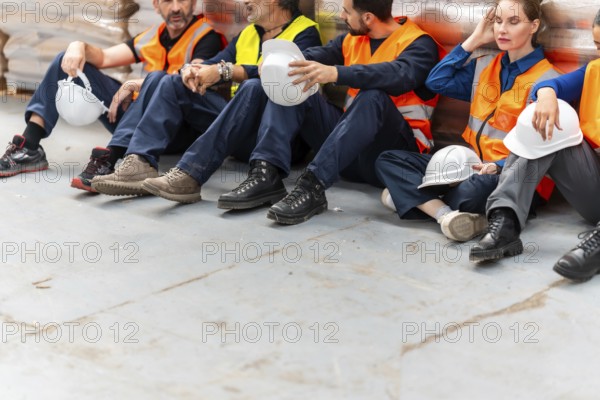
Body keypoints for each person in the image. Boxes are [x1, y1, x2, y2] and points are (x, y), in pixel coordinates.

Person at [135, 0, 445, 225]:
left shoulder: (418, 44)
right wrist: (229, 71)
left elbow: (398, 75)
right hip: (348, 154)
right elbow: (298, 63)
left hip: (392, 155)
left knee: (374, 97)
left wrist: (335, 73)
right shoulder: (352, 38)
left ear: (367, 17)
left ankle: (312, 188)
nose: (339, 15)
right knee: (285, 78)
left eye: (345, 11)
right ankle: (251, 174)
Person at [89, 0, 321, 196]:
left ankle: (190, 172)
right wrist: (192, 71)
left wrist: (224, 71)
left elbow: (283, 72)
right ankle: (140, 161)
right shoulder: (249, 33)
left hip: (278, 139)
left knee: (253, 86)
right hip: (240, 125)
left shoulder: (305, 32)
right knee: (173, 82)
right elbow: (216, 61)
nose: (245, 2)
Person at [374, 0, 560, 241]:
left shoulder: (548, 81)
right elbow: (436, 81)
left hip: (514, 177)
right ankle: (446, 215)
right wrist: (474, 40)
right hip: (469, 166)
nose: (502, 29)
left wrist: (499, 166)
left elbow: (540, 148)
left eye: (513, 22)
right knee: (388, 161)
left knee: (471, 192)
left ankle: (419, 202)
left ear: (534, 26)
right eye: (498, 21)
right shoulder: (484, 66)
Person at [2, 0, 225, 179]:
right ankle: (30, 146)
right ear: (156, 5)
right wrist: (77, 46)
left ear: (194, 4)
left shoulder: (206, 36)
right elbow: (105, 57)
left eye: (183, 0)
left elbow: (192, 80)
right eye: (167, 1)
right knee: (64, 60)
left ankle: (111, 157)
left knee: (157, 80)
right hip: (136, 119)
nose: (176, 7)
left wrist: (137, 84)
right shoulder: (152, 36)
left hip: (176, 130)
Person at [470, 8, 600, 281]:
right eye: (599, 46)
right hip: (593, 186)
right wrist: (547, 94)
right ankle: (505, 223)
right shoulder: (594, 70)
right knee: (545, 117)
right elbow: (550, 85)